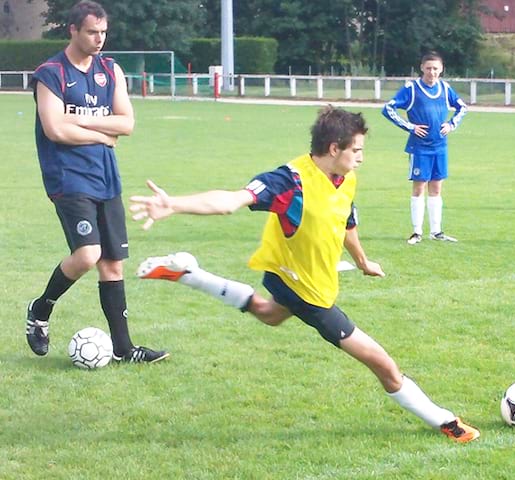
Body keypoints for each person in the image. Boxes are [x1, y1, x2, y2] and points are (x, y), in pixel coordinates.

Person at [129, 106, 479, 442]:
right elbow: (230, 202)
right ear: (333, 148)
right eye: (356, 150)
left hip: (301, 279)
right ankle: (445, 421)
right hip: (304, 289)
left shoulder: (346, 178)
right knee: (382, 363)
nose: (361, 157)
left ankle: (189, 274)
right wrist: (173, 204)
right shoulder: (288, 182)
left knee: (269, 314)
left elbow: (346, 222)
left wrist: (362, 261)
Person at [26, 0, 168, 363]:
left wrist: (82, 120)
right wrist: (103, 132)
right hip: (68, 177)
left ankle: (123, 350)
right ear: (72, 30)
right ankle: (40, 309)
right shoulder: (51, 73)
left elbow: (127, 124)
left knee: (112, 264)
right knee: (88, 255)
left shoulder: (110, 70)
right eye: (92, 31)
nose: (99, 39)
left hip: (105, 176)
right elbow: (55, 129)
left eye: (103, 32)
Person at [382, 51, 467, 244]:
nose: (432, 72)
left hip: (440, 147)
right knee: (419, 187)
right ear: (421, 68)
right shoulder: (412, 89)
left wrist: (451, 124)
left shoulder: (445, 89)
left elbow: (462, 107)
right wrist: (410, 127)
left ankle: (436, 231)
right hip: (420, 147)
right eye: (428, 68)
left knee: (436, 188)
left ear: (441, 69)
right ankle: (417, 231)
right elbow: (388, 109)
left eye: (435, 68)